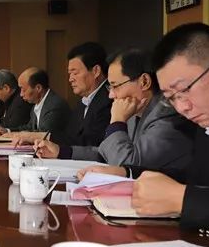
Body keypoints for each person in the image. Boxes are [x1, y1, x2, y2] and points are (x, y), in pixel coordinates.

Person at [87, 23, 209, 237]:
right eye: (171, 98)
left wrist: (184, 201)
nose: (182, 107)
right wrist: (127, 173)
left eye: (184, 90)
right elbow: (197, 179)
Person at [35, 49, 195, 173]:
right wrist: (61, 151)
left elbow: (127, 164)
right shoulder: (135, 111)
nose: (111, 95)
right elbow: (106, 153)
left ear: (144, 81)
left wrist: (117, 122)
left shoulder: (167, 116)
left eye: (115, 86)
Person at [0, 68, 70, 137]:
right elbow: (29, 128)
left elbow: (44, 134)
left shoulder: (55, 105)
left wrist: (17, 135)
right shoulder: (35, 105)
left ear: (38, 88)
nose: (21, 94)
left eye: (23, 90)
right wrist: (7, 131)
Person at [0, 69, 32, 135]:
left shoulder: (20, 101)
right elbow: (3, 121)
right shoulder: (9, 99)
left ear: (6, 88)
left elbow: (10, 126)